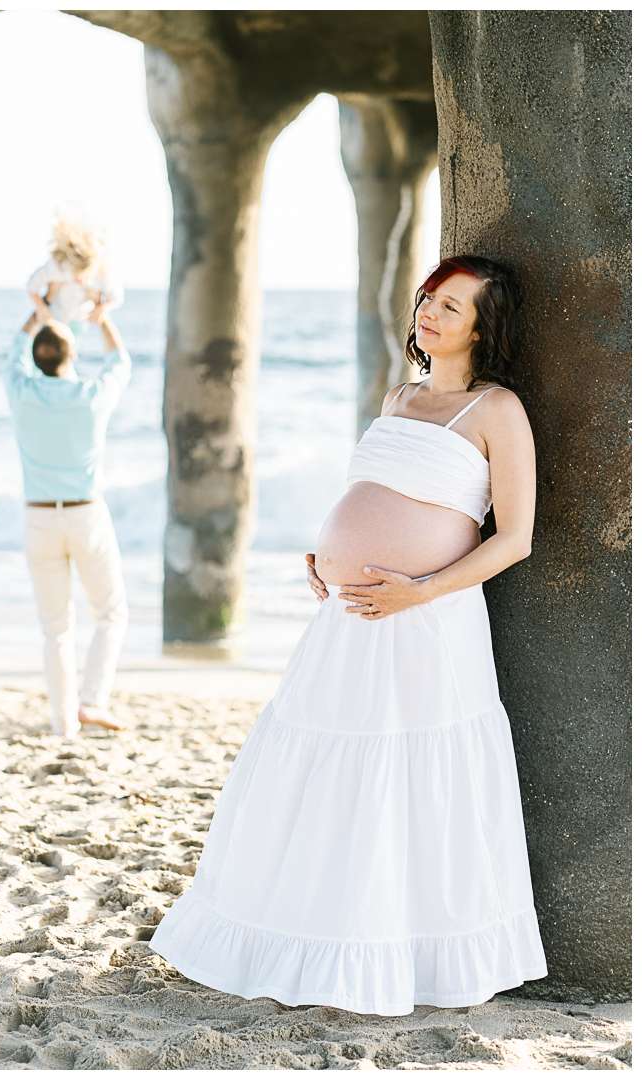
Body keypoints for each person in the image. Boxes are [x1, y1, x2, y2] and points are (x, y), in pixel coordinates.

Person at [149, 254, 548, 1015]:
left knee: (409, 779)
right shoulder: (398, 396)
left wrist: (418, 590)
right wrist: (328, 555)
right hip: (349, 619)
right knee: (323, 774)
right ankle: (308, 936)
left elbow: (515, 538)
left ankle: (401, 956)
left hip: (427, 623)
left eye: (453, 308)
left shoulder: (497, 409)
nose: (430, 313)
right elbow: (375, 492)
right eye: (430, 297)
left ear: (482, 329)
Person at [4, 309, 131, 739]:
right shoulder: (92, 395)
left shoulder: (21, 392)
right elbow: (120, 362)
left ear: (37, 359)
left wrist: (37, 311)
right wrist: (102, 318)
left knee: (55, 627)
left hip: (39, 516)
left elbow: (13, 355)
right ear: (71, 354)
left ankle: (63, 724)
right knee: (110, 614)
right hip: (85, 513)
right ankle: (91, 701)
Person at [28, 213, 124, 350]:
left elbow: (117, 297)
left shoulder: (102, 272)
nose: (81, 280)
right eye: (76, 274)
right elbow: (32, 287)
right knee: (46, 351)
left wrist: (102, 308)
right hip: (54, 315)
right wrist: (42, 308)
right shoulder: (58, 266)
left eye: (86, 275)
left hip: (80, 320)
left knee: (69, 353)